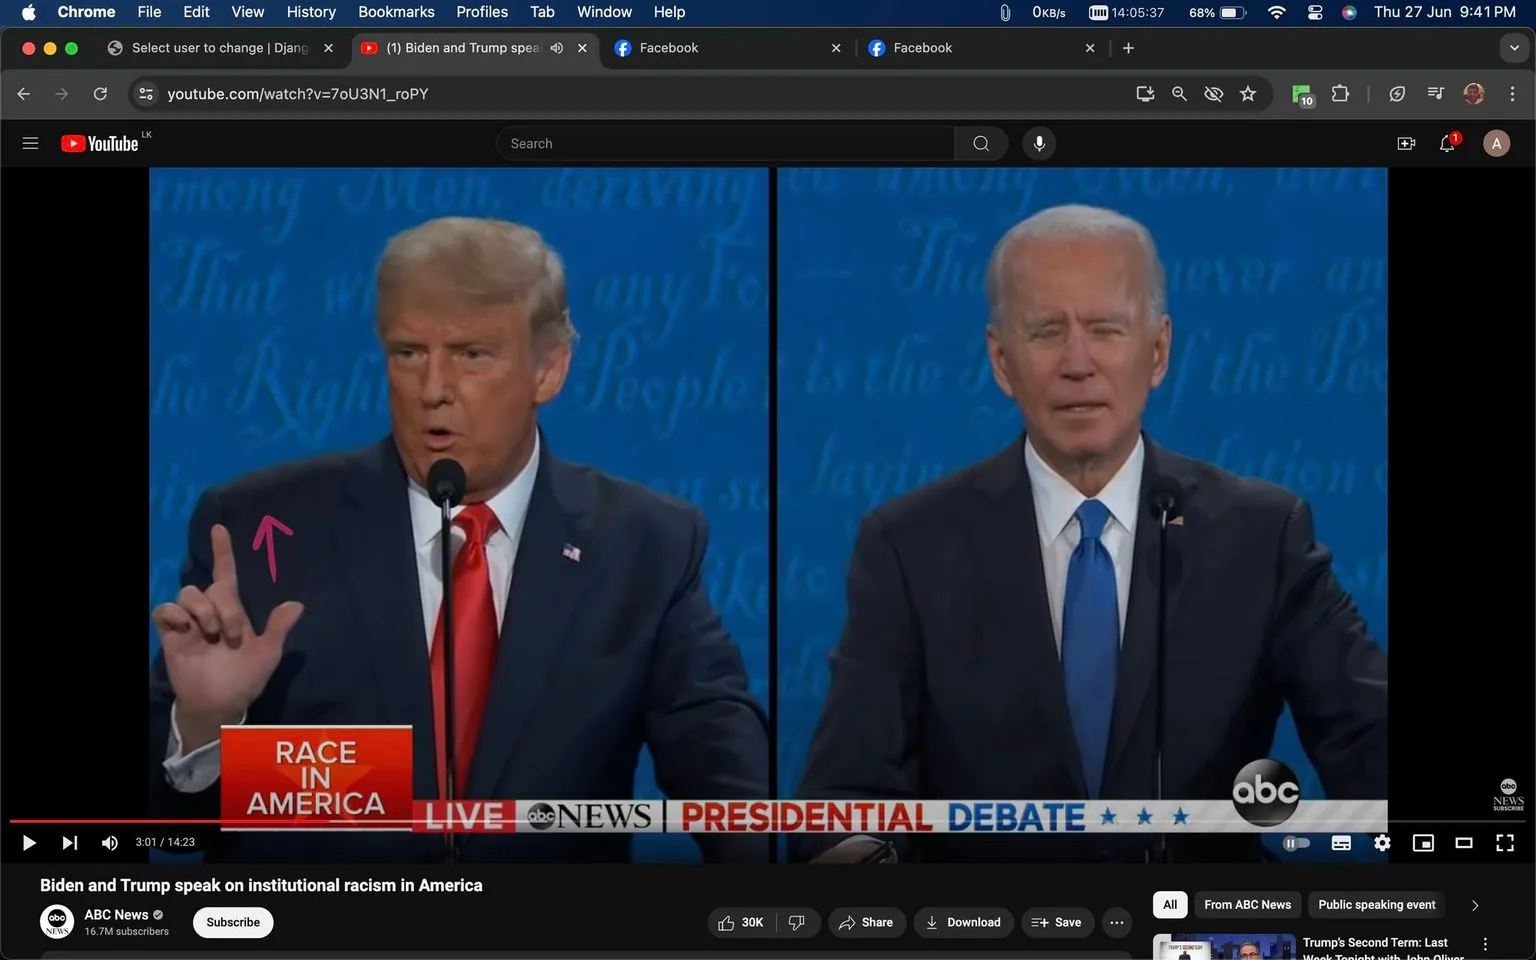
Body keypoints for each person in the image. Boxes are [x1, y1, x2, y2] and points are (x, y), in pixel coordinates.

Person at [149, 217, 770, 862]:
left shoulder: (645, 543)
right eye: (409, 353)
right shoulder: (261, 528)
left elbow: (720, 763)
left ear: (549, 371)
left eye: (472, 355)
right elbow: (171, 823)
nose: (433, 391)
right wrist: (207, 725)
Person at [792, 204, 1387, 863]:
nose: (1079, 363)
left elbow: (1369, 741)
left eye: (1106, 329)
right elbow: (845, 802)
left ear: (1157, 351)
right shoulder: (910, 546)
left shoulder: (1261, 536)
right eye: (1046, 332)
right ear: (1001, 360)